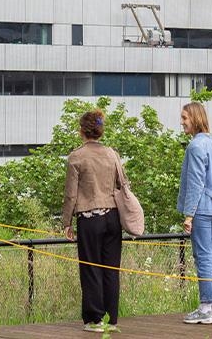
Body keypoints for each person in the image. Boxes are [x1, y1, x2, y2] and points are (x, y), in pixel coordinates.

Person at [61, 110, 123, 333]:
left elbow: (71, 194)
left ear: (82, 131)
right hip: (113, 217)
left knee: (91, 268)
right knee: (111, 268)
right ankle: (112, 319)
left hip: (89, 218)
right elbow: (122, 184)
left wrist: (66, 222)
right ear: (100, 131)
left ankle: (94, 319)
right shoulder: (112, 154)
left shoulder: (76, 156)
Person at [177, 102, 212, 325]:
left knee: (203, 256)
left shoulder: (195, 146)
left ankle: (205, 308)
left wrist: (188, 215)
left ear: (195, 118)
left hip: (201, 208)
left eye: (185, 118)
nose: (182, 122)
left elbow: (195, 183)